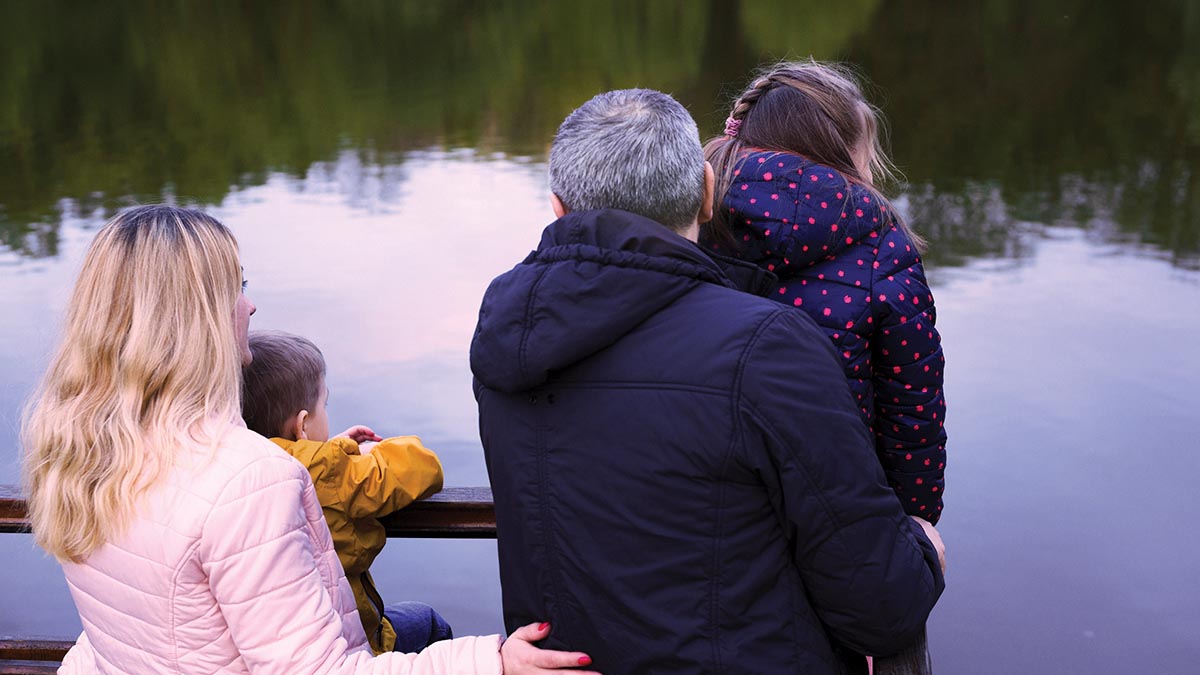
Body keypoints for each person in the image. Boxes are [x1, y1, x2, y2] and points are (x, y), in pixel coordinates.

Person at [471, 89, 945, 674]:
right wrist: (922, 548)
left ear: (558, 208)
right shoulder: (767, 344)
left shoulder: (506, 329)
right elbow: (880, 608)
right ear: (707, 191)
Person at [21, 205, 595, 674]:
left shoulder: (81, 452)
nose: (249, 304)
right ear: (194, 318)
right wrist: (489, 660)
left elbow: (119, 635)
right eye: (237, 286)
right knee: (429, 627)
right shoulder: (243, 477)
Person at [700, 60, 948, 673]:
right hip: (839, 518)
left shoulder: (693, 216)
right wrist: (915, 531)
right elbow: (910, 413)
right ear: (844, 150)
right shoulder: (878, 242)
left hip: (704, 507)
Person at [241, 330, 451, 655]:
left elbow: (302, 460)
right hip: (353, 643)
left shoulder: (242, 464)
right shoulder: (331, 474)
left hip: (286, 643)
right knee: (427, 621)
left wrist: (330, 449)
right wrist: (361, 455)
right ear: (303, 425)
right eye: (324, 404)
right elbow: (425, 467)